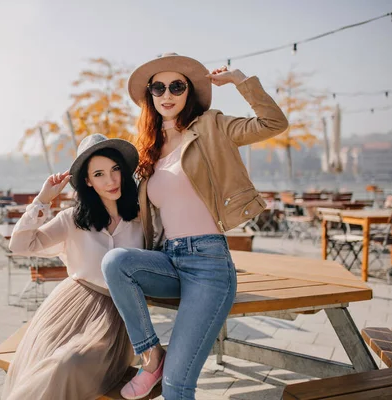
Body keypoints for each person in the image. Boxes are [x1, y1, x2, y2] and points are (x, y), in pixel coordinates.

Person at [101, 53, 289, 400]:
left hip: (209, 265)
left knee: (176, 387)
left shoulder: (212, 126)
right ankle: (151, 355)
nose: (167, 94)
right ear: (150, 96)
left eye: (177, 86)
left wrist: (240, 80)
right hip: (168, 260)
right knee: (116, 263)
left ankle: (164, 371)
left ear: (189, 92)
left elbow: (274, 123)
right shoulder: (148, 150)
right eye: (159, 87)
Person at [1, 134, 144, 400]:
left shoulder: (142, 219)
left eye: (115, 170)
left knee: (70, 363)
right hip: (67, 307)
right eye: (99, 174)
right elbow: (20, 245)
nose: (111, 181)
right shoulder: (72, 220)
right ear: (88, 181)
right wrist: (43, 199)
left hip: (114, 314)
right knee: (49, 364)